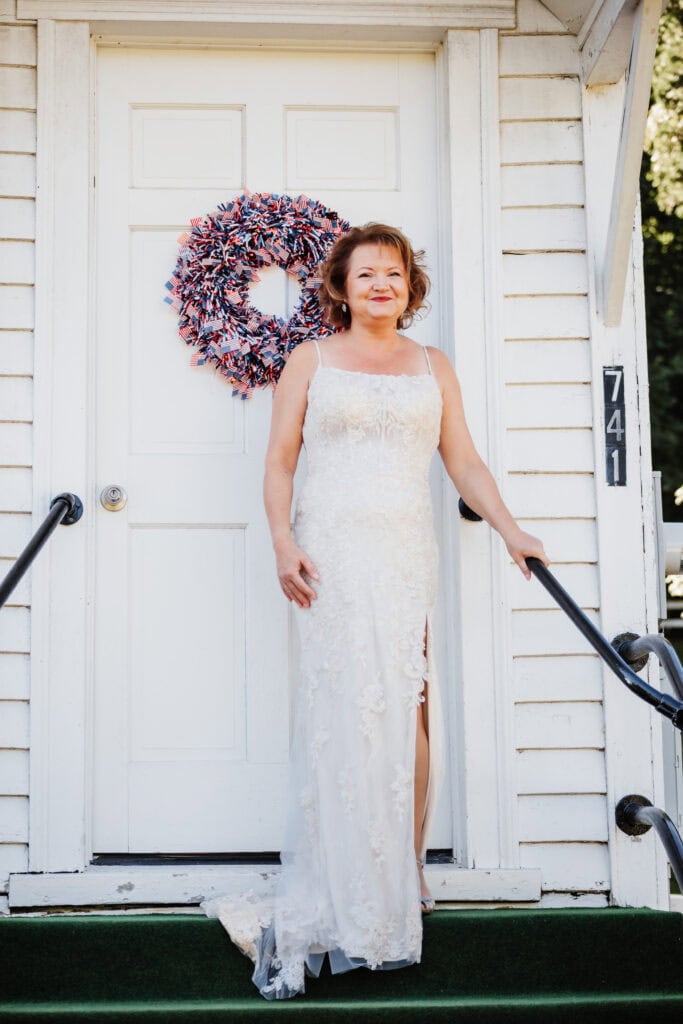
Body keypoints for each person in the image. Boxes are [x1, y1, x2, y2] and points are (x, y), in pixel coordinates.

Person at [201, 223, 550, 999]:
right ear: (341, 286)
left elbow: (461, 458)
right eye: (366, 275)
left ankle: (403, 870)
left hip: (400, 554)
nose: (380, 285)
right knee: (345, 709)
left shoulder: (432, 365)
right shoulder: (310, 359)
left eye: (392, 273)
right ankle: (339, 878)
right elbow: (280, 460)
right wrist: (282, 541)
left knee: (408, 712)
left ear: (408, 285)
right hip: (329, 554)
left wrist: (510, 530)